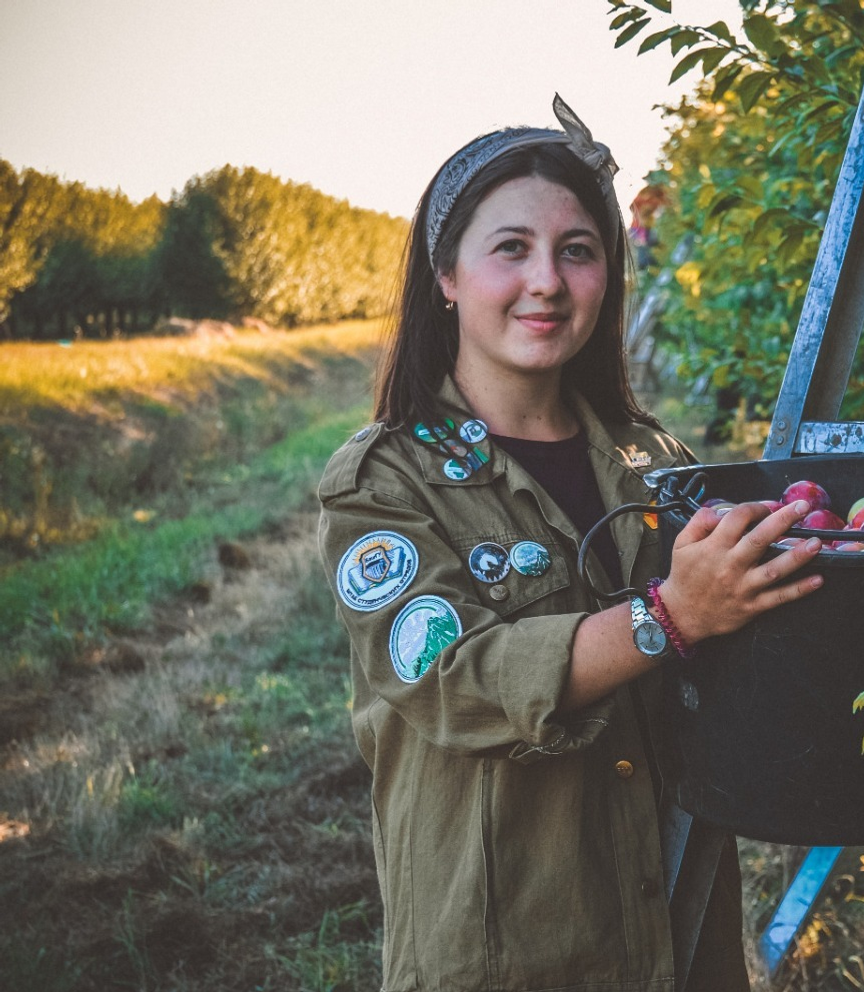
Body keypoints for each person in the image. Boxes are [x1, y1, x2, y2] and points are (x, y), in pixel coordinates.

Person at [316, 95, 823, 992]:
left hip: (675, 917)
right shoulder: (385, 482)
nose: (547, 280)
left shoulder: (655, 463)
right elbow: (452, 678)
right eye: (511, 248)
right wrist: (668, 617)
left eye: (578, 251)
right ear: (446, 275)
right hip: (513, 940)